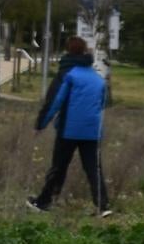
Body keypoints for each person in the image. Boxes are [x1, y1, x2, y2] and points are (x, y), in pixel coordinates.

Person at [26, 36, 111, 215]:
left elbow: (56, 102)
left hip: (69, 130)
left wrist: (41, 124)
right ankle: (103, 205)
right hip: (92, 131)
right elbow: (104, 102)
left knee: (58, 166)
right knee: (93, 168)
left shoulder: (69, 75)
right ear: (85, 52)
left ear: (68, 51)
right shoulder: (98, 78)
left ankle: (44, 202)